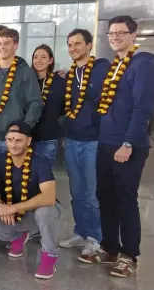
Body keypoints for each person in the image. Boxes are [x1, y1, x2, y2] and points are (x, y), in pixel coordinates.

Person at [95, 15, 154, 277]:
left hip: (128, 145)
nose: (115, 37)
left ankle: (130, 255)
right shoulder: (117, 64)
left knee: (125, 200)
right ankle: (109, 247)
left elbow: (143, 108)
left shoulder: (143, 64)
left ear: (134, 35)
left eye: (121, 32)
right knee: (105, 197)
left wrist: (128, 143)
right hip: (106, 142)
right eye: (112, 33)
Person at [58, 29, 111, 261]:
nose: (73, 48)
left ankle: (95, 238)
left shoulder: (101, 68)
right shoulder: (69, 74)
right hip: (71, 140)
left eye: (78, 44)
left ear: (89, 45)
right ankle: (80, 232)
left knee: (91, 194)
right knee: (76, 193)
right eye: (70, 44)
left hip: (93, 141)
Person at [0, 121, 61, 279]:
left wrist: (12, 208)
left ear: (28, 141)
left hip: (40, 212)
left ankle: (50, 256)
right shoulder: (0, 160)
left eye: (18, 140)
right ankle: (20, 236)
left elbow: (49, 198)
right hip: (16, 213)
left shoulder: (40, 161)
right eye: (10, 139)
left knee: (45, 212)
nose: (13, 144)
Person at [0, 28, 43, 160]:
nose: (2, 47)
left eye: (7, 43)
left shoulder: (26, 72)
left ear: (16, 45)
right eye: (0, 43)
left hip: (15, 140)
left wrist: (25, 128)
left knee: (15, 180)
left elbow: (35, 103)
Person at [30, 44, 66, 163]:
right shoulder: (26, 81)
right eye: (35, 57)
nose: (38, 60)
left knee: (44, 177)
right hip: (26, 138)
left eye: (43, 57)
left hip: (48, 139)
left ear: (50, 60)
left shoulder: (59, 81)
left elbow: (64, 107)